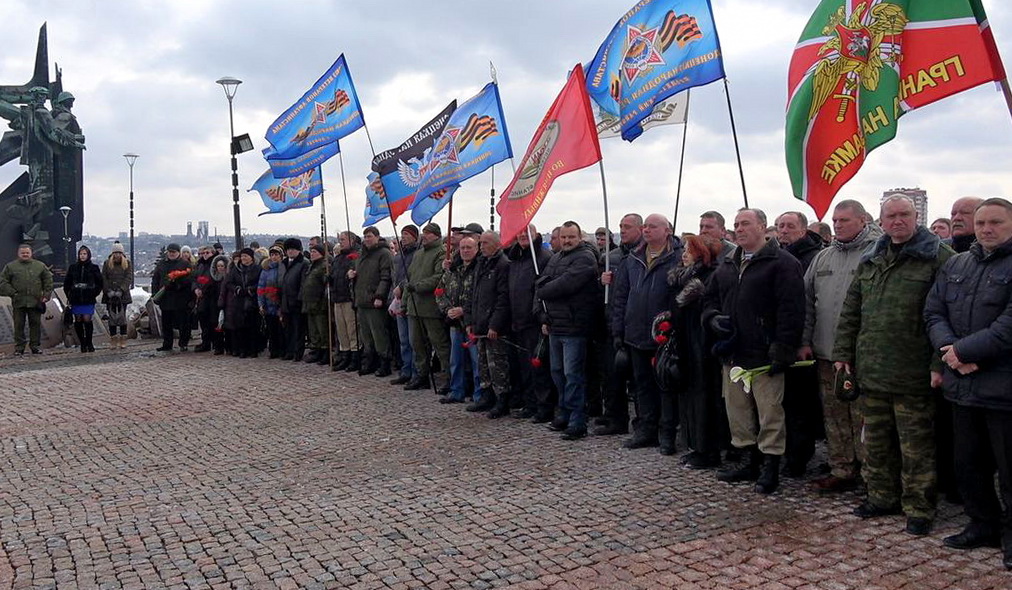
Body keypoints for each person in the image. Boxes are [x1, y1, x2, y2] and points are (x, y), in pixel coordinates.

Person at [833, 195, 954, 536]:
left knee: (916, 447)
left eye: (904, 215)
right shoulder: (872, 258)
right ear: (881, 221)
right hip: (872, 369)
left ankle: (919, 507)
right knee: (876, 442)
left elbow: (948, 314)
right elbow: (852, 309)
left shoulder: (940, 257)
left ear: (916, 217)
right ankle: (881, 496)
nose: (897, 221)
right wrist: (844, 352)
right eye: (891, 216)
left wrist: (939, 362)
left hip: (913, 372)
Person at [925, 197, 1012, 569]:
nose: (987, 229)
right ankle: (982, 524)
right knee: (968, 463)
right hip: (962, 385)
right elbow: (934, 311)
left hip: (1003, 388)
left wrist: (963, 351)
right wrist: (949, 350)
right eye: (981, 223)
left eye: (996, 222)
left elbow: (1008, 326)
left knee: (1009, 469)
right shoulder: (958, 263)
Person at [703, 208, 805, 495]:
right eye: (736, 224)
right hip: (733, 352)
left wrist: (783, 348)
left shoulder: (783, 263)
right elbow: (710, 299)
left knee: (770, 412)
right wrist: (712, 318)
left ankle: (771, 465)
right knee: (738, 411)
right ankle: (748, 461)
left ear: (762, 226)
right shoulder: (727, 264)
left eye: (745, 223)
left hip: (765, 354)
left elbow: (792, 310)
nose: (739, 228)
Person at [800, 200, 880, 493]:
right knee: (834, 416)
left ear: (862, 220)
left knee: (864, 419)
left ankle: (871, 475)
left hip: (862, 354)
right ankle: (841, 469)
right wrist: (805, 340)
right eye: (835, 220)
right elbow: (808, 302)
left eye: (844, 220)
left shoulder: (876, 253)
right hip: (826, 352)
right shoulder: (823, 257)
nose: (837, 225)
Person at [612, 214, 684, 453]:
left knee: (665, 387)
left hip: (663, 335)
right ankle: (646, 430)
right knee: (641, 386)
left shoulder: (678, 257)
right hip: (635, 332)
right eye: (645, 226)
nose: (647, 230)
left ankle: (667, 433)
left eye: (653, 226)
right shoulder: (633, 258)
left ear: (667, 230)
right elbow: (621, 296)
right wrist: (618, 329)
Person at [536, 221, 600, 440]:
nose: (567, 241)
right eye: (563, 237)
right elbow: (541, 283)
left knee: (573, 375)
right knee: (557, 372)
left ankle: (577, 420)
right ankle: (563, 413)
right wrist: (543, 314)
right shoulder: (556, 258)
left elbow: (565, 284)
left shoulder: (585, 258)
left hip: (575, 326)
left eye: (571, 237)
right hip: (555, 325)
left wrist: (545, 289)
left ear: (579, 238)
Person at [668, 235, 725, 468]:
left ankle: (707, 450)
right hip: (687, 344)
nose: (684, 254)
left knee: (704, 400)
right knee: (690, 398)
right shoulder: (683, 277)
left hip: (701, 346)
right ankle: (695, 446)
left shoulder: (707, 278)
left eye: (689, 250)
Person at [777, 211, 826, 477]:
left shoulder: (813, 258)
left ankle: (798, 457)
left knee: (800, 406)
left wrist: (803, 339)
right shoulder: (777, 256)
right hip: (782, 341)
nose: (784, 230)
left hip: (804, 343)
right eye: (780, 226)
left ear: (803, 230)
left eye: (790, 226)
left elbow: (808, 303)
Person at [597, 213, 644, 436]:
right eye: (620, 226)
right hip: (612, 323)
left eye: (627, 226)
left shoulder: (643, 255)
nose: (623, 230)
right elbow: (600, 293)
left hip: (635, 324)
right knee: (612, 376)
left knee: (638, 380)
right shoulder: (611, 257)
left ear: (640, 229)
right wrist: (601, 281)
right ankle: (615, 418)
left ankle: (643, 424)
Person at [506, 224, 555, 422]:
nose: (522, 235)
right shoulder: (515, 258)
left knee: (539, 367)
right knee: (524, 367)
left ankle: (544, 407)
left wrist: (542, 316)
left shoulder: (543, 257)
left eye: (527, 232)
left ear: (536, 234)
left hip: (534, 320)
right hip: (517, 320)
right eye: (519, 231)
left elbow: (544, 289)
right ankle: (529, 403)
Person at [468, 231, 512, 418]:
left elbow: (503, 299)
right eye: (481, 243)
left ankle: (502, 400)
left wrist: (495, 325)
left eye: (485, 243)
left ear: (496, 244)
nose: (482, 247)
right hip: (480, 323)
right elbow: (474, 294)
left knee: (497, 365)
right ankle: (487, 396)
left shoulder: (503, 264)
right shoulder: (481, 263)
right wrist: (471, 321)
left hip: (495, 326)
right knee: (483, 364)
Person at [403, 223, 452, 391]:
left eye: (428, 233)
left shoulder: (441, 252)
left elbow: (439, 277)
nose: (424, 236)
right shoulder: (418, 254)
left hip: (431, 307)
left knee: (440, 344)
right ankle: (421, 375)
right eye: (423, 232)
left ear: (436, 235)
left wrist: (418, 286)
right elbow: (409, 277)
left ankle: (449, 377)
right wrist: (405, 301)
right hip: (414, 306)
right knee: (417, 344)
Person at [436, 235, 482, 405]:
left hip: (473, 323)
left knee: (477, 362)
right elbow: (439, 291)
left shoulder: (480, 269)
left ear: (476, 249)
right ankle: (457, 391)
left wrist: (464, 310)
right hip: (454, 323)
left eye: (469, 247)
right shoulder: (452, 270)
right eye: (462, 248)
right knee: (456, 361)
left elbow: (482, 296)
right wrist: (447, 310)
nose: (465, 251)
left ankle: (479, 394)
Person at [350, 227, 393, 376]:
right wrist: (352, 275)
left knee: (379, 334)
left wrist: (380, 296)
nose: (367, 239)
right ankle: (369, 361)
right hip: (361, 300)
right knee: (366, 335)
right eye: (365, 237)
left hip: (374, 301)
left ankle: (384, 363)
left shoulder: (384, 253)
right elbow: (359, 274)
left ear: (377, 237)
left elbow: (386, 277)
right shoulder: (362, 254)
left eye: (369, 236)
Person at [0, 243, 53, 355]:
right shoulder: (10, 267)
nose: (25, 254)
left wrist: (46, 295)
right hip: (18, 301)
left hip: (35, 301)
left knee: (35, 324)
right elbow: (3, 281)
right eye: (23, 253)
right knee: (19, 325)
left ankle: (35, 346)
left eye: (27, 253)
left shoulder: (40, 266)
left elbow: (48, 280)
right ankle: (19, 348)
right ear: (18, 253)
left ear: (31, 253)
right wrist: (13, 293)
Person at [219, 248, 262, 358]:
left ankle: (253, 350)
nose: (243, 258)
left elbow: (260, 282)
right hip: (239, 301)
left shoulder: (257, 269)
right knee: (240, 327)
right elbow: (229, 283)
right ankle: (242, 349)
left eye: (245, 256)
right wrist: (237, 289)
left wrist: (251, 290)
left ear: (251, 258)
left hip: (252, 300)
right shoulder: (236, 269)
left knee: (253, 326)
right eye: (242, 256)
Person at [151, 243, 194, 352]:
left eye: (173, 252)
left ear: (178, 253)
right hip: (166, 298)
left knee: (183, 323)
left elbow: (189, 280)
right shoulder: (162, 264)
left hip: (180, 298)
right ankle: (167, 344)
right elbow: (156, 279)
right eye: (170, 252)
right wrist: (155, 294)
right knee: (166, 323)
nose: (171, 254)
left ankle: (183, 343)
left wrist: (178, 285)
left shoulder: (185, 264)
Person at [390, 226, 419, 384]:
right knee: (403, 340)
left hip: (412, 299)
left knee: (414, 340)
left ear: (414, 236)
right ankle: (405, 370)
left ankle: (416, 372)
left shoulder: (418, 254)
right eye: (402, 234)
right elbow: (394, 277)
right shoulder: (398, 256)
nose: (403, 237)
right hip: (398, 300)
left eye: (407, 234)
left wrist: (402, 287)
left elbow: (413, 275)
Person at [330, 232, 361, 371]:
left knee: (352, 329)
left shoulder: (356, 255)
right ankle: (345, 355)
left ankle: (355, 357)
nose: (340, 242)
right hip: (337, 297)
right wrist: (329, 278)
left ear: (351, 240)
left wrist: (351, 275)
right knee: (341, 330)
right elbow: (334, 274)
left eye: (343, 239)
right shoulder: (338, 258)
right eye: (339, 240)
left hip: (349, 298)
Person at [64, 245, 103, 352]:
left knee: (87, 319)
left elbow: (100, 283)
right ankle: (82, 343)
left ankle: (89, 342)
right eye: (81, 254)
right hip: (76, 298)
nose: (82, 256)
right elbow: (67, 283)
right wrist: (70, 295)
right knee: (78, 320)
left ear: (88, 255)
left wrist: (93, 293)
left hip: (88, 298)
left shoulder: (94, 268)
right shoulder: (73, 267)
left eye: (84, 254)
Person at [302, 244, 330, 365]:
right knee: (314, 330)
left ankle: (325, 351)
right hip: (310, 303)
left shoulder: (324, 266)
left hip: (319, 303)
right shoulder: (311, 266)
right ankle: (317, 350)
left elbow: (325, 285)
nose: (312, 254)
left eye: (315, 252)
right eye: (311, 251)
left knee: (322, 329)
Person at [279, 238, 307, 361]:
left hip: (296, 301)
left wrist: (299, 299)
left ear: (298, 250)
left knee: (298, 329)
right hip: (285, 301)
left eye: (293, 249)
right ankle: (289, 351)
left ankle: (297, 352)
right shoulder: (284, 263)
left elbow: (303, 284)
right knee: (288, 328)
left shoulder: (303, 263)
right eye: (288, 249)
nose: (290, 251)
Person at [101, 242, 133, 349]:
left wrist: (122, 289)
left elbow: (128, 277)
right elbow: (104, 278)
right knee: (112, 318)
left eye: (119, 253)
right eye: (115, 253)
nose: (117, 255)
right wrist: (108, 290)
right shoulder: (107, 263)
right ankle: (113, 338)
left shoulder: (127, 263)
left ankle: (123, 338)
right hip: (110, 294)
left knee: (122, 317)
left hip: (123, 295)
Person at [258, 246, 284, 359]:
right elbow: (261, 287)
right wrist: (261, 303)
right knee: (271, 329)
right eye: (272, 255)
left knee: (281, 329)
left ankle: (282, 349)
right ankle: (273, 350)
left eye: (276, 255)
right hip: (269, 303)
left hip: (280, 301)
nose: (274, 257)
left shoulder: (283, 268)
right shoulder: (266, 270)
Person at [191, 246, 217, 352]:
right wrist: (196, 289)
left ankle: (215, 342)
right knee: (203, 320)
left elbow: (215, 279)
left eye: (207, 253)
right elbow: (194, 278)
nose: (205, 255)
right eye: (203, 253)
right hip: (201, 297)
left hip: (212, 296)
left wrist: (204, 290)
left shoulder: (215, 263)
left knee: (213, 321)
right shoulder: (200, 264)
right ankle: (205, 342)